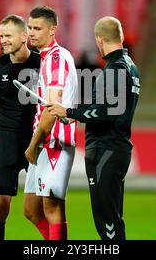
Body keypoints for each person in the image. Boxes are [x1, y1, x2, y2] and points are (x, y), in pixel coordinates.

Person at [47, 16, 140, 240]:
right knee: (114, 220)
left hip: (105, 150)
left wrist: (69, 112)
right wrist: (76, 113)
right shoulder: (130, 67)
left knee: (107, 224)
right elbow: (106, 107)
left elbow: (106, 112)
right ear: (121, 37)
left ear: (99, 40)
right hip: (117, 148)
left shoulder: (114, 69)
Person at [0, 14, 40, 241]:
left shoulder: (42, 63)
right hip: (6, 141)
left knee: (43, 209)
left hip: (37, 140)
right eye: (0, 36)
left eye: (8, 35)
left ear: (24, 36)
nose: (2, 40)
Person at [22, 6, 78, 240]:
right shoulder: (46, 58)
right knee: (31, 209)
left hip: (55, 142)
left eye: (37, 28)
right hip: (44, 142)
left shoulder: (56, 57)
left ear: (52, 30)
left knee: (52, 209)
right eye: (30, 27)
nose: (31, 33)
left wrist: (33, 143)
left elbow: (52, 109)